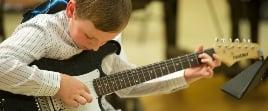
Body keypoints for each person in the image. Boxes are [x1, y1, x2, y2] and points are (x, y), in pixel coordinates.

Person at [0, 0, 221, 110]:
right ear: (71, 10)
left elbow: (127, 84)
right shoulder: (44, 30)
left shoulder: (105, 44)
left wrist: (186, 75)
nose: (96, 48)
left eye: (104, 41)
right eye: (89, 36)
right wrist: (57, 85)